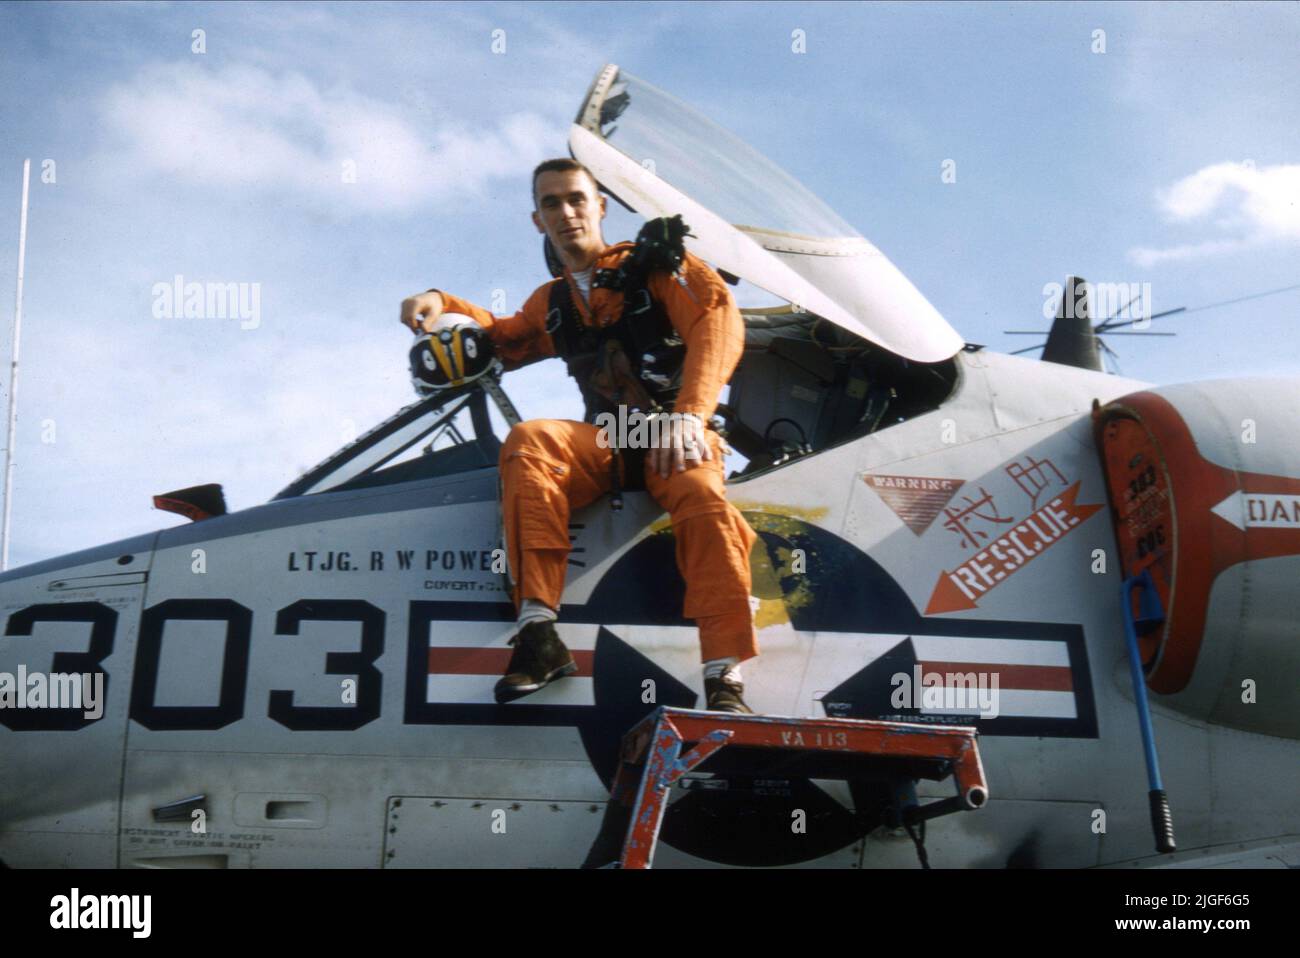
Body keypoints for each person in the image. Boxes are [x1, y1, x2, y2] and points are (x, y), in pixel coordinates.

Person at [399, 158, 758, 713]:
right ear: (537, 220)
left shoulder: (659, 265)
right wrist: (441, 301)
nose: (565, 213)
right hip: (610, 442)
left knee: (706, 501)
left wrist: (690, 413)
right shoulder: (554, 303)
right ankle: (539, 633)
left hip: (676, 435)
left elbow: (717, 319)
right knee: (531, 439)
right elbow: (502, 340)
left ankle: (724, 677)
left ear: (601, 207)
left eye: (576, 199)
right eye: (550, 204)